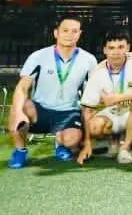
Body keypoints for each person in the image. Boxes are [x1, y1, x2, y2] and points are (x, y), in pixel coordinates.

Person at [7, 17, 98, 168]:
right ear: (56, 33)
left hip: (68, 111)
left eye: (74, 31)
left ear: (79, 34)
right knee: (20, 106)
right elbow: (22, 87)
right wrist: (17, 113)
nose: (69, 35)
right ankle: (20, 150)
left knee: (72, 139)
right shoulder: (38, 56)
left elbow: (90, 95)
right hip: (40, 109)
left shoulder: (89, 60)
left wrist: (87, 137)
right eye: (65, 30)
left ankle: (61, 143)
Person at [78, 32, 132, 165]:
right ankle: (114, 139)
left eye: (120, 47)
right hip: (111, 113)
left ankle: (125, 147)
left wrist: (117, 98)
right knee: (94, 126)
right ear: (104, 50)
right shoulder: (97, 72)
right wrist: (87, 143)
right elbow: (87, 109)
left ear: (128, 47)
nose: (116, 52)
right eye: (111, 48)